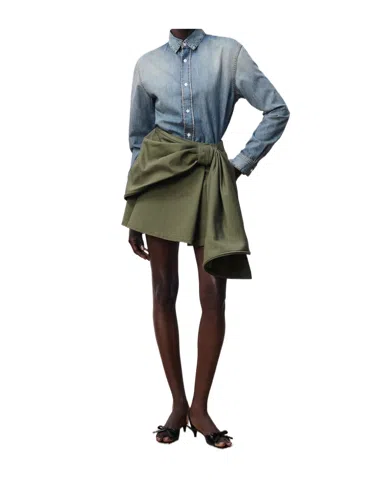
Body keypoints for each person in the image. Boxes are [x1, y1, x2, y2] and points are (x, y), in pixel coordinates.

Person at [121, 29, 290, 448]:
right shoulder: (147, 64)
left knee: (213, 295)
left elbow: (276, 109)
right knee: (163, 291)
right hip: (158, 179)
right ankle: (178, 405)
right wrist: (134, 205)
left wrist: (239, 164)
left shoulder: (228, 53)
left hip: (210, 177)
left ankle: (200, 407)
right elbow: (138, 141)